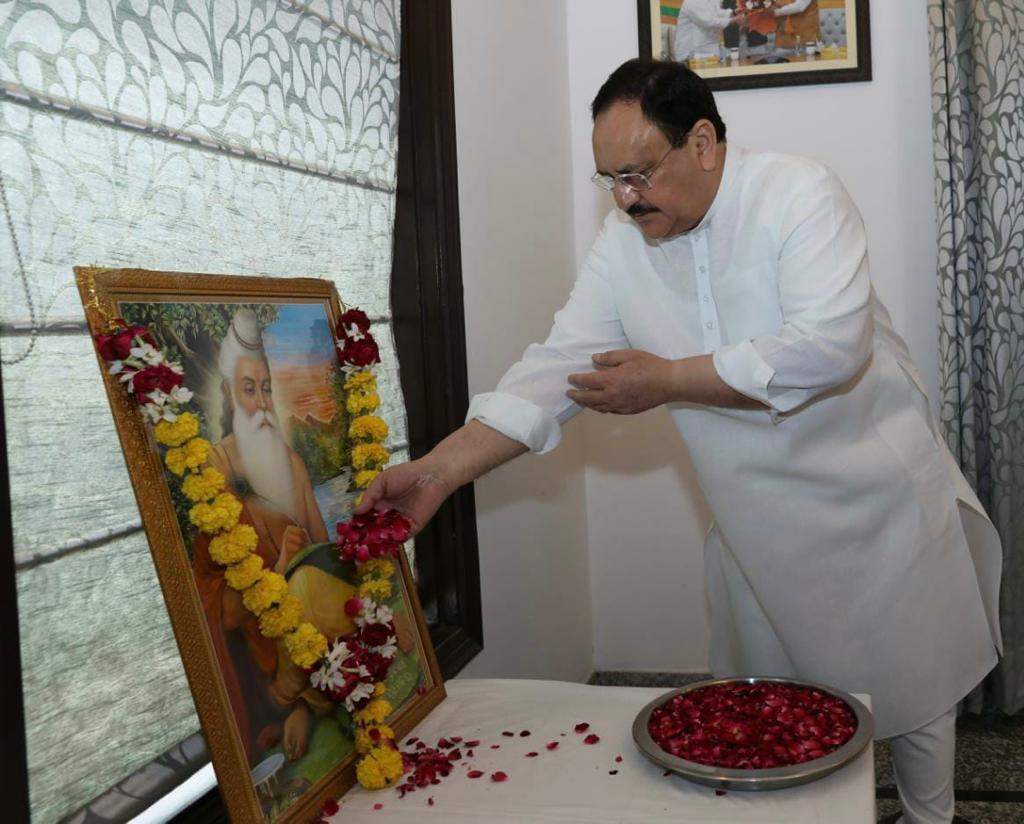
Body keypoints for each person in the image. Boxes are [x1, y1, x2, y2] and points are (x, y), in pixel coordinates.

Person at [357, 60, 1002, 824]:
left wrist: (666, 380)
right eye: (610, 180)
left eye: (637, 173)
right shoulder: (624, 244)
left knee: (916, 688)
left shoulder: (798, 193)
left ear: (702, 142)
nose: (626, 199)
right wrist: (438, 469)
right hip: (754, 520)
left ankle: (933, 817)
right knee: (764, 716)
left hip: (875, 501)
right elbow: (561, 369)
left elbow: (830, 348)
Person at [192, 307, 332, 764]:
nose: (264, 403)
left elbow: (328, 554)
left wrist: (304, 558)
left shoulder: (290, 461)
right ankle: (298, 707)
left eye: (267, 388)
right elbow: (226, 614)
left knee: (318, 589)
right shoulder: (214, 469)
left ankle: (311, 704)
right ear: (231, 395)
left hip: (311, 632)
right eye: (250, 389)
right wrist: (278, 567)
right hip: (262, 655)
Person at [673, 0, 746, 63]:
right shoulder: (693, 1)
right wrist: (733, 21)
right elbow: (707, 22)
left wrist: (733, 13)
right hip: (691, 54)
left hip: (708, 52)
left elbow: (717, 12)